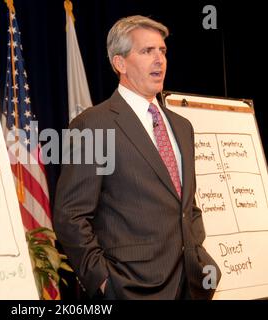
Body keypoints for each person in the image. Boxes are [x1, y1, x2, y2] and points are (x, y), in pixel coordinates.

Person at [53, 15, 221, 300]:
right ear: (120, 63)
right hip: (131, 288)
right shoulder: (93, 125)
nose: (160, 60)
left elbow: (186, 205)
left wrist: (199, 255)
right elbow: (70, 216)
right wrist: (104, 281)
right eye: (147, 51)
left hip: (192, 284)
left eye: (162, 51)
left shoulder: (182, 126)